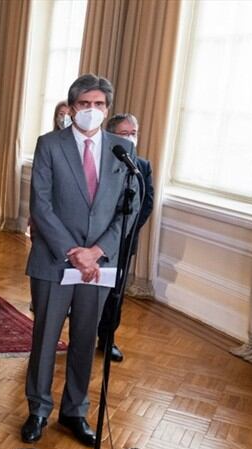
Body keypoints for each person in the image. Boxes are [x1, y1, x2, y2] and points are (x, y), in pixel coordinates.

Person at [21, 74, 139, 447]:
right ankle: (38, 409)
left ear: (107, 109)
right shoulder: (49, 145)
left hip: (98, 265)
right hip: (55, 260)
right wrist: (74, 251)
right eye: (85, 104)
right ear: (72, 108)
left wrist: (96, 252)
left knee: (86, 340)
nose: (92, 111)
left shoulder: (123, 150)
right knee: (45, 338)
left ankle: (75, 410)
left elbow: (129, 209)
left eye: (99, 105)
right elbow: (40, 204)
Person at [96, 113, 155, 362]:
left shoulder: (141, 165)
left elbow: (146, 202)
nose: (131, 137)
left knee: (114, 294)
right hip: (92, 241)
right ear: (111, 136)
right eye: (125, 133)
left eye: (134, 132)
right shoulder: (97, 160)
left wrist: (125, 230)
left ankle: (107, 340)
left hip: (124, 243)